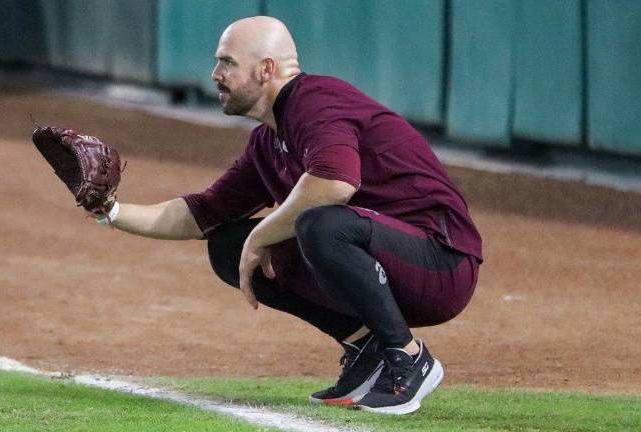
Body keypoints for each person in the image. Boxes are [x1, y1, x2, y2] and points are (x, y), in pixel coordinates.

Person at [94, 16, 482, 415]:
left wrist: (261, 236)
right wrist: (111, 209)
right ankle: (368, 346)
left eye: (227, 62)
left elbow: (334, 184)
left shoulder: (316, 101)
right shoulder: (268, 140)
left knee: (319, 224)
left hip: (440, 263)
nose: (215, 74)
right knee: (228, 244)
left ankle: (408, 357)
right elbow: (203, 213)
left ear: (266, 69)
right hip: (387, 262)